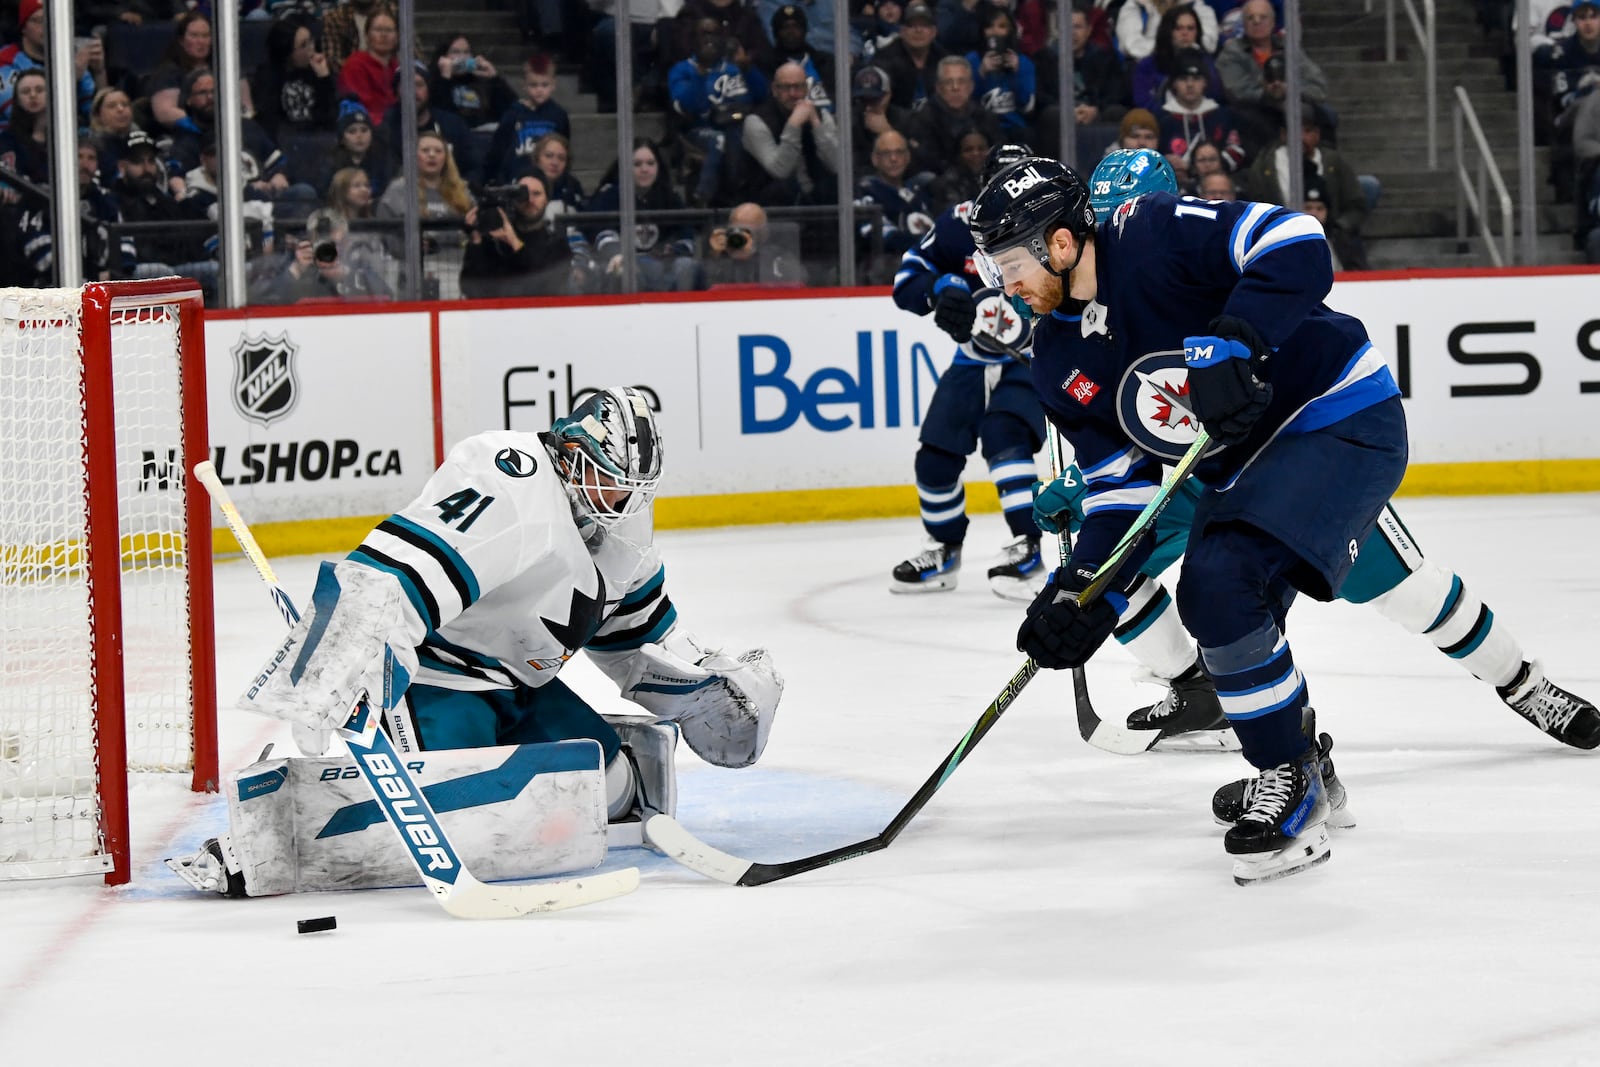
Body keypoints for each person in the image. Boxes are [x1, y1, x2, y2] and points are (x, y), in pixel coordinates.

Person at [1039, 147, 1600, 765]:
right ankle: (1204, 695)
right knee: (1167, 590)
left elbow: (1287, 260)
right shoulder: (1075, 310)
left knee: (1410, 592)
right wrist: (1082, 487)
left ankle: (1522, 681)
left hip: (1298, 449)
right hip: (1197, 475)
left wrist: (1236, 344)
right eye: (1108, 216)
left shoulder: (1184, 247)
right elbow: (1119, 422)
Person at [969, 153, 1410, 885]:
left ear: (1059, 241)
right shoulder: (1054, 359)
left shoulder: (1152, 233)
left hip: (1338, 416)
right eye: (993, 269)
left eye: (1010, 263)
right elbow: (1123, 489)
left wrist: (1239, 336)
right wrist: (1084, 591)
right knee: (1217, 596)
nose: (1004, 286)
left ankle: (1288, 781)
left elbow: (1296, 239)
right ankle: (1300, 762)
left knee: (1222, 578)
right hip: (1244, 468)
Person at [173, 388, 783, 898]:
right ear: (572, 452)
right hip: (434, 682)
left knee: (614, 783)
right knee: (466, 812)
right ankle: (271, 834)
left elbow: (635, 638)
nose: (622, 500)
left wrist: (706, 681)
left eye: (633, 488)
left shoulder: (615, 530)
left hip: (519, 688)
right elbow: (400, 569)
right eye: (609, 479)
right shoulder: (512, 477)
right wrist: (342, 662)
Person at [888, 142, 1046, 601]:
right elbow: (907, 279)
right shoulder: (960, 225)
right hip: (971, 360)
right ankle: (943, 549)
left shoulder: (1056, 227)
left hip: (1035, 358)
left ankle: (1029, 544)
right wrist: (941, 288)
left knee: (1005, 437)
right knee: (934, 458)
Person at [584, 139, 702, 292]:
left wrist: (671, 250)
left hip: (662, 271)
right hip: (622, 269)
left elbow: (687, 236)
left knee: (686, 266)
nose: (644, 169)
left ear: (658, 166)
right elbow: (601, 234)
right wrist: (617, 254)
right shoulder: (609, 195)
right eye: (637, 164)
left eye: (650, 163)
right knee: (625, 271)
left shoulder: (670, 197)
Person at [668, 18, 756, 207]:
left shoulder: (733, 69)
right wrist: (700, 76)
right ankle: (703, 195)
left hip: (735, 126)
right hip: (697, 130)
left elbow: (760, 96)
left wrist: (748, 70)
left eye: (714, 33)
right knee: (719, 139)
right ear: (694, 40)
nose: (709, 39)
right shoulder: (682, 70)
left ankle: (740, 194)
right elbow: (685, 106)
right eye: (703, 34)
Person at [460, 166, 578, 298]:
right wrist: (476, 243)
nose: (529, 200)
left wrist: (515, 243)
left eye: (536, 194)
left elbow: (546, 289)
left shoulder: (557, 245)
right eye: (522, 193)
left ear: (547, 200)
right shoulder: (496, 242)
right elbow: (470, 288)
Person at [741, 60, 840, 205]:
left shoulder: (821, 116)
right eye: (786, 88)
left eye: (798, 87)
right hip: (770, 203)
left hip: (815, 198)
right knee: (784, 188)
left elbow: (837, 164)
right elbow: (780, 171)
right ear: (774, 90)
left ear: (806, 89)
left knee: (838, 185)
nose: (793, 94)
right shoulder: (756, 121)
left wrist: (816, 124)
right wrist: (793, 124)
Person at [0, 0, 102, 129]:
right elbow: (22, 118)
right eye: (38, 21)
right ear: (24, 28)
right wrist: (70, 80)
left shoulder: (71, 58)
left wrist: (99, 72)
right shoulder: (5, 60)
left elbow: (98, 117)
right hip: (15, 142)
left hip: (75, 138)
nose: (47, 26)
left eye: (52, 20)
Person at [1216, 0, 1329, 114]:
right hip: (1255, 112)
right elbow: (1238, 93)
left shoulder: (1288, 48)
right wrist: (1270, 94)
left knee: (1325, 115)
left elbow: (1318, 86)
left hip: (1293, 107)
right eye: (1250, 18)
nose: (1257, 21)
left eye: (1263, 17)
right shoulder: (1231, 52)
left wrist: (1289, 90)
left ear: (1273, 22)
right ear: (1244, 25)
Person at [1155, 47, 1245, 185]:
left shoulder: (1223, 115)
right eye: (1183, 79)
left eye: (1196, 79)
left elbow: (1237, 151)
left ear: (1205, 82)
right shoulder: (1161, 119)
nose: (1190, 85)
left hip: (1217, 188)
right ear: (1174, 84)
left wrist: (1206, 165)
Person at [385, 60, 478, 185]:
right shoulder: (386, 129)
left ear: (428, 90)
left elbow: (474, 168)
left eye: (419, 85)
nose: (413, 91)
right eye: (406, 85)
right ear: (397, 91)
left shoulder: (453, 125)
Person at [906, 56, 1000, 179]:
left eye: (961, 82)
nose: (955, 88)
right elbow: (926, 161)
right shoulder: (923, 119)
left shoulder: (985, 117)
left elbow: (996, 152)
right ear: (938, 87)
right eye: (948, 82)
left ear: (971, 86)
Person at [487, 52, 573, 183]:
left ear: (553, 85)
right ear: (524, 85)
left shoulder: (559, 115)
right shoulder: (513, 113)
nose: (539, 90)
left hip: (548, 182)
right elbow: (499, 149)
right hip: (516, 178)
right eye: (534, 85)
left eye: (545, 85)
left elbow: (564, 149)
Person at [251, 16, 338, 145]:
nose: (311, 48)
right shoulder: (267, 76)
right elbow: (269, 120)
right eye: (303, 45)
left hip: (319, 142)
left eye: (311, 41)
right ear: (287, 52)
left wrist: (324, 79)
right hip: (286, 142)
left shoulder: (317, 71)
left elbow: (330, 117)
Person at [1129, 3, 1222, 113]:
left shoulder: (1206, 63)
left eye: (1190, 28)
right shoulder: (1147, 66)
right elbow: (1143, 102)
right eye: (1178, 28)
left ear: (1197, 32)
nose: (1185, 33)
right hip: (1162, 122)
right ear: (1168, 31)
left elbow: (1216, 97)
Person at [967, 6, 1035, 139]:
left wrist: (1017, 73)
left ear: (1010, 30)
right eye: (990, 26)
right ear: (982, 30)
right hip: (981, 129)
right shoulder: (971, 61)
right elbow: (964, 105)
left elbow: (1027, 107)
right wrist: (980, 74)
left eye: (1002, 26)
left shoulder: (1024, 62)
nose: (995, 32)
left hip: (1015, 128)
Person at [702, 200, 807, 285]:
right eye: (736, 230)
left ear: (763, 233)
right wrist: (716, 256)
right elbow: (706, 288)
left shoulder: (778, 258)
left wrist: (752, 257)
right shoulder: (720, 256)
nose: (740, 237)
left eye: (747, 232)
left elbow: (801, 280)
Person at [429, 35, 517, 131]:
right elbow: (441, 112)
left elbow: (511, 108)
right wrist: (445, 77)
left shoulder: (480, 80)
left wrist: (495, 78)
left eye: (466, 52)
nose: (462, 57)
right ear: (443, 57)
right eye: (455, 52)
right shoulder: (436, 81)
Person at [872, 0, 946, 112]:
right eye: (912, 25)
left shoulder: (943, 59)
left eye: (924, 25)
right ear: (902, 31)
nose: (918, 30)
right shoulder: (884, 59)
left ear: (934, 32)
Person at [335, 7, 400, 124]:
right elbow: (361, 105)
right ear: (366, 35)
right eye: (378, 29)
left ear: (397, 37)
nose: (383, 35)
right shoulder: (355, 65)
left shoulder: (399, 67)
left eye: (389, 30)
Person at [1116, 0, 1218, 61]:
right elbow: (1132, 47)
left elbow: (1209, 44)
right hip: (1149, 64)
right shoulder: (1135, 6)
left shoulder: (1197, 6)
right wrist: (1168, 47)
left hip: (1190, 61)